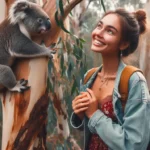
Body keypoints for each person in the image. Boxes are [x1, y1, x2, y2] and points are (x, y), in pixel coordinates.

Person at [70, 8, 150, 150]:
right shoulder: (90, 77)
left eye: (110, 31)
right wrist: (80, 114)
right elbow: (90, 129)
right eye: (99, 26)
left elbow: (135, 144)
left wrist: (95, 114)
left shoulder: (134, 81)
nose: (98, 33)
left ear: (123, 44)